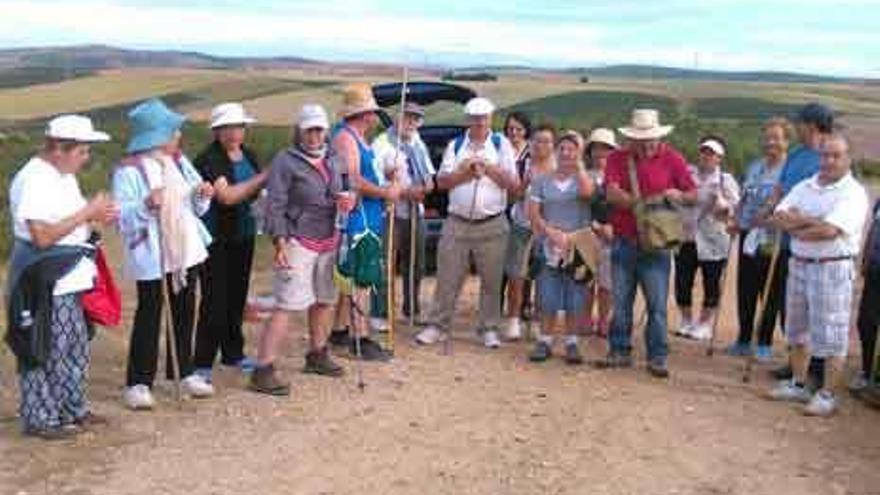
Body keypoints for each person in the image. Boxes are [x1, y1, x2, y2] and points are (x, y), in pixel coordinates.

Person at [7, 115, 117, 439]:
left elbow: (69, 221)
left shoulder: (62, 175)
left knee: (72, 347)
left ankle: (71, 408)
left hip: (69, 275)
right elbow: (41, 236)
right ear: (59, 149)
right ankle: (41, 417)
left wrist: (95, 218)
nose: (86, 158)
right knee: (43, 347)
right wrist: (87, 212)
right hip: (43, 278)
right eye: (82, 151)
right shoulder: (34, 179)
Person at [113, 98, 216, 410]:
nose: (178, 137)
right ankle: (139, 382)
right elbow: (122, 218)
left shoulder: (179, 162)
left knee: (186, 309)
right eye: (173, 132)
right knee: (149, 314)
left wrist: (203, 195)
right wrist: (145, 205)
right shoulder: (128, 171)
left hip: (184, 249)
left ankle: (182, 372)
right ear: (158, 136)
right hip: (153, 252)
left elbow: (194, 204)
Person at [248, 104, 353, 395]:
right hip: (298, 240)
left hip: (329, 237)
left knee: (324, 299)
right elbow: (275, 204)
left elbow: (346, 188)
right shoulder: (286, 160)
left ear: (326, 131)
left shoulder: (334, 158)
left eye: (318, 129)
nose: (314, 136)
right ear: (299, 131)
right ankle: (264, 369)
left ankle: (317, 354)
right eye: (308, 130)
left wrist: (348, 200)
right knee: (288, 304)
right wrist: (280, 242)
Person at [766, 134, 868, 417]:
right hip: (799, 263)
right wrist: (813, 222)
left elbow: (829, 232)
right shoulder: (805, 186)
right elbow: (778, 217)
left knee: (832, 334)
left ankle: (827, 394)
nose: (829, 161)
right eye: (825, 155)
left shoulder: (853, 193)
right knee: (797, 328)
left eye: (836, 155)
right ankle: (799, 384)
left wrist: (797, 223)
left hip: (832, 266)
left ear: (848, 158)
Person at [415, 97, 520, 348]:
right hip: (457, 221)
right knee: (447, 276)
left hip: (492, 221)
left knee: (492, 280)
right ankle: (437, 325)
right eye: (475, 119)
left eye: (483, 118)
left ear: (490, 118)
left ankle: (489, 328)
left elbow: (512, 183)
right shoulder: (456, 145)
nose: (479, 123)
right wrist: (465, 172)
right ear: (468, 120)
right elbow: (442, 182)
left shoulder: (501, 144)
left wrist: (488, 168)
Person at [600, 109, 697, 378]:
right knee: (621, 304)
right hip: (624, 241)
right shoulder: (617, 159)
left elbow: (692, 194)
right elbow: (611, 193)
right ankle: (620, 350)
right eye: (641, 139)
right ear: (631, 138)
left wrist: (678, 194)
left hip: (657, 246)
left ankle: (657, 356)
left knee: (656, 306)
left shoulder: (673, 158)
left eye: (650, 138)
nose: (646, 143)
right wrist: (644, 204)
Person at [193, 102, 268, 380]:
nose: (234, 132)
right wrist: (263, 178)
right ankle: (202, 361)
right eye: (227, 128)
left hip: (243, 233)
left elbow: (257, 192)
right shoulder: (210, 159)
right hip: (216, 238)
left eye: (238, 126)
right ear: (217, 131)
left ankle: (233, 352)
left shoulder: (248, 154)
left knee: (237, 296)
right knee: (214, 299)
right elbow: (227, 196)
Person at [329, 83, 401, 360]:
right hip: (358, 217)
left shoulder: (356, 137)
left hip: (367, 215)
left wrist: (386, 173)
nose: (374, 116)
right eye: (372, 111)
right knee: (362, 275)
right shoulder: (347, 139)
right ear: (364, 114)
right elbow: (354, 180)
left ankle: (338, 329)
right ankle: (360, 337)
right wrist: (386, 192)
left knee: (352, 275)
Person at [769, 103, 835, 383]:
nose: (796, 127)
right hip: (788, 243)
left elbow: (829, 204)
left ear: (812, 125)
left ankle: (818, 367)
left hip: (818, 248)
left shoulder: (830, 157)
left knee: (818, 311)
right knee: (792, 308)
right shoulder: (796, 154)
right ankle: (795, 361)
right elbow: (781, 188)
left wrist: (798, 219)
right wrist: (775, 203)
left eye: (799, 123)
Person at [527, 130, 594, 363]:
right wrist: (550, 232)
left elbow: (588, 194)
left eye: (571, 149)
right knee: (547, 293)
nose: (566, 153)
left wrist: (580, 167)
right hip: (550, 243)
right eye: (562, 149)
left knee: (576, 295)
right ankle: (545, 340)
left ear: (579, 153)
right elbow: (533, 214)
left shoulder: (584, 179)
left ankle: (572, 342)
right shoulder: (541, 181)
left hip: (579, 245)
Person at [727, 117, 792, 359]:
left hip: (773, 238)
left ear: (786, 141)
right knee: (746, 287)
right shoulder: (755, 166)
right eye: (767, 137)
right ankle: (743, 338)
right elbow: (744, 197)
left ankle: (763, 342)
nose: (770, 142)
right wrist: (735, 219)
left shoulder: (789, 170)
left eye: (776, 137)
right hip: (748, 234)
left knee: (770, 290)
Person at [372, 102, 436, 323]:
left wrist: (426, 188)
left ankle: (412, 310)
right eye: (407, 117)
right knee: (386, 262)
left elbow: (429, 176)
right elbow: (376, 181)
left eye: (416, 118)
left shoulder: (418, 143)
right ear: (396, 118)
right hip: (388, 211)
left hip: (415, 210)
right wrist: (406, 192)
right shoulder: (381, 144)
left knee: (416, 262)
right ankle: (380, 313)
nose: (411, 122)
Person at [673, 136, 741, 341]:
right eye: (704, 151)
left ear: (720, 157)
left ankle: (704, 324)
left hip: (713, 239)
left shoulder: (725, 180)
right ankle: (686, 320)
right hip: (686, 236)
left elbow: (735, 208)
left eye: (712, 153)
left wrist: (722, 203)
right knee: (682, 282)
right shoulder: (687, 173)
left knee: (711, 282)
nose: (706, 156)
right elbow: (675, 195)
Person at [503, 117, 552, 341]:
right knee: (516, 274)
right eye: (537, 141)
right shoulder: (522, 166)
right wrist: (524, 183)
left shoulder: (558, 169)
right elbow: (512, 196)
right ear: (531, 143)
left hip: (547, 230)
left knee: (544, 276)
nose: (541, 146)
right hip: (522, 224)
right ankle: (513, 320)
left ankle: (542, 324)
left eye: (546, 142)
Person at [582, 128, 618, 337]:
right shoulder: (583, 175)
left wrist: (612, 228)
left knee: (607, 283)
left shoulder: (619, 176)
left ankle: (604, 321)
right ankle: (586, 319)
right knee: (585, 281)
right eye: (597, 147)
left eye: (606, 148)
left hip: (610, 236)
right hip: (585, 232)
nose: (601, 152)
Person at [850, 196, 880, 393]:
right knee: (866, 322)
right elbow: (873, 231)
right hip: (875, 270)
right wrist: (864, 261)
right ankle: (867, 370)